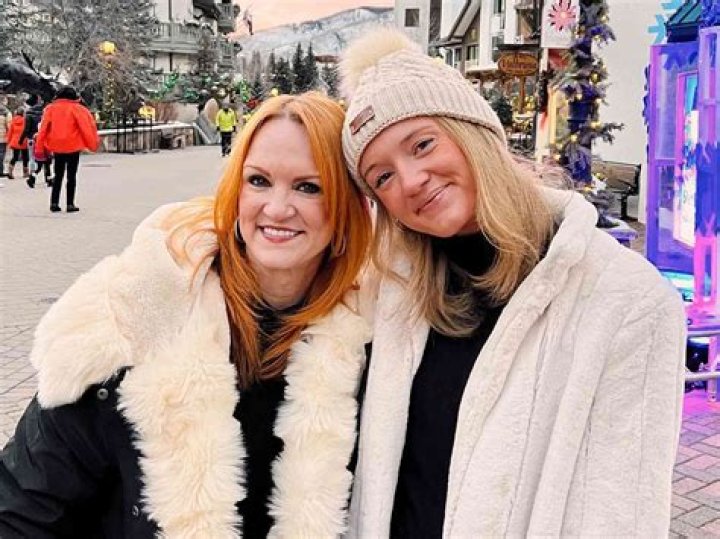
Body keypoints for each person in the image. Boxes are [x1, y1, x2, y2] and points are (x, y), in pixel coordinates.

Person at [340, 28, 687, 537]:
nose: (410, 180)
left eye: (423, 144)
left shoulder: (624, 301)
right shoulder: (389, 293)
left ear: (473, 131)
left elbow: (618, 512)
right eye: (382, 177)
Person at [0, 91, 373, 538]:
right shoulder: (137, 317)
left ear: (348, 207)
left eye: (309, 187)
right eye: (258, 181)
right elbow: (24, 509)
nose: (276, 208)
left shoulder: (373, 340)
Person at [37, 85, 99, 213]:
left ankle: (54, 203)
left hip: (57, 146)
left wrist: (40, 147)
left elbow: (43, 129)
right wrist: (92, 145)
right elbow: (87, 128)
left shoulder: (50, 109)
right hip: (73, 146)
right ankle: (70, 204)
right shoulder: (79, 109)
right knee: (71, 175)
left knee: (58, 175)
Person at [6, 108, 29, 180]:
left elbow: (10, 132)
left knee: (15, 157)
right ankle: (25, 173)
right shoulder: (25, 120)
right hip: (24, 141)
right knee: (25, 157)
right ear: (23, 113)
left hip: (15, 141)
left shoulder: (13, 121)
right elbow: (27, 130)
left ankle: (10, 171)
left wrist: (8, 142)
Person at [0, 100, 10, 186]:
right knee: (1, 154)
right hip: (2, 138)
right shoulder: (6, 113)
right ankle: (0, 170)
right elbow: (9, 126)